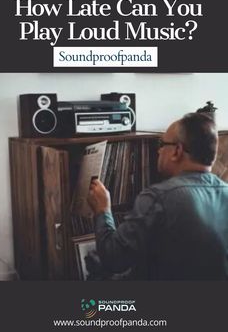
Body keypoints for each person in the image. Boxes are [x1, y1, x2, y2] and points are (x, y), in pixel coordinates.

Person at [87, 113, 228, 280]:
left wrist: (103, 210)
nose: (159, 150)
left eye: (162, 144)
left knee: (88, 303)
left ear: (177, 151)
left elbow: (114, 260)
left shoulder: (158, 197)